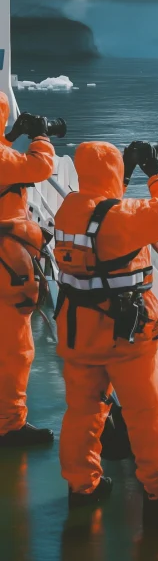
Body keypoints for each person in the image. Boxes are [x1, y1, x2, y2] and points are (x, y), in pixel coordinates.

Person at [53, 139, 158, 520]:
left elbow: (101, 208)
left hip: (79, 332)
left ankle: (83, 487)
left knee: (82, 412)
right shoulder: (125, 217)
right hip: (125, 336)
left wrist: (121, 177)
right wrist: (156, 172)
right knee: (148, 415)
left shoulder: (68, 210)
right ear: (114, 171)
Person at [0, 91, 55, 446]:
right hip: (6, 269)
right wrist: (41, 137)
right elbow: (40, 167)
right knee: (15, 350)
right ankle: (9, 425)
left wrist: (8, 139)